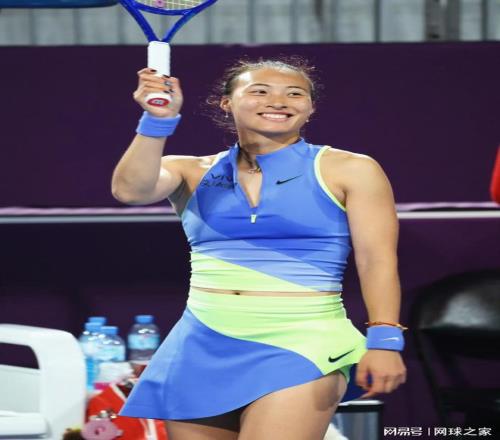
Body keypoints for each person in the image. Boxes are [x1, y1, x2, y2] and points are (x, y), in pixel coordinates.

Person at [112, 58, 407, 440]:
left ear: (310, 108)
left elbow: (377, 260)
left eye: (295, 93)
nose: (279, 101)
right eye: (260, 91)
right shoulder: (190, 170)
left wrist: (385, 341)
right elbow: (130, 191)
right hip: (200, 343)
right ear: (226, 103)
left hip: (303, 340)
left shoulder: (351, 168)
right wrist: (157, 120)